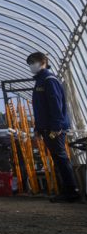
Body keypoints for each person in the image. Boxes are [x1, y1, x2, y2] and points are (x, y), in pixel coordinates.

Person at [27, 51, 79, 202]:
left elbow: (56, 104)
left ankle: (72, 192)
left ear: (43, 62)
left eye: (33, 62)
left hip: (54, 128)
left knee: (61, 157)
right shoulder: (40, 81)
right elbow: (40, 108)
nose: (31, 66)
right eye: (29, 63)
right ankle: (67, 190)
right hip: (47, 127)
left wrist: (56, 127)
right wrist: (38, 127)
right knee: (58, 158)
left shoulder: (49, 80)